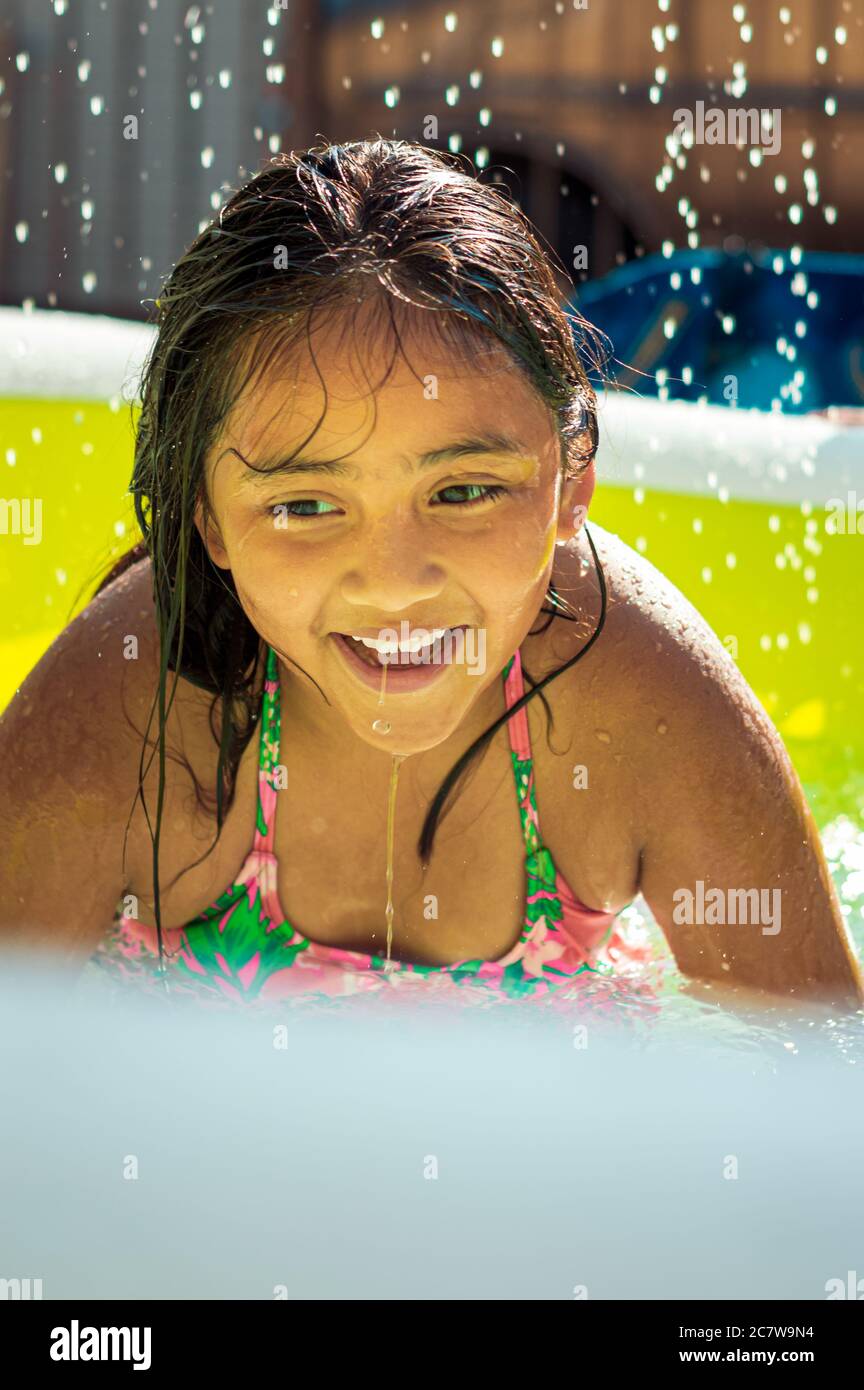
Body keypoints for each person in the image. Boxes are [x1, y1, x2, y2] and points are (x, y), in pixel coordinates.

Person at [1, 139, 860, 1015]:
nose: (395, 584)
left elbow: (817, 1084)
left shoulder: (643, 704)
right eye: (304, 506)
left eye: (463, 491)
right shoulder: (133, 710)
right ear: (207, 519)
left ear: (575, 480)